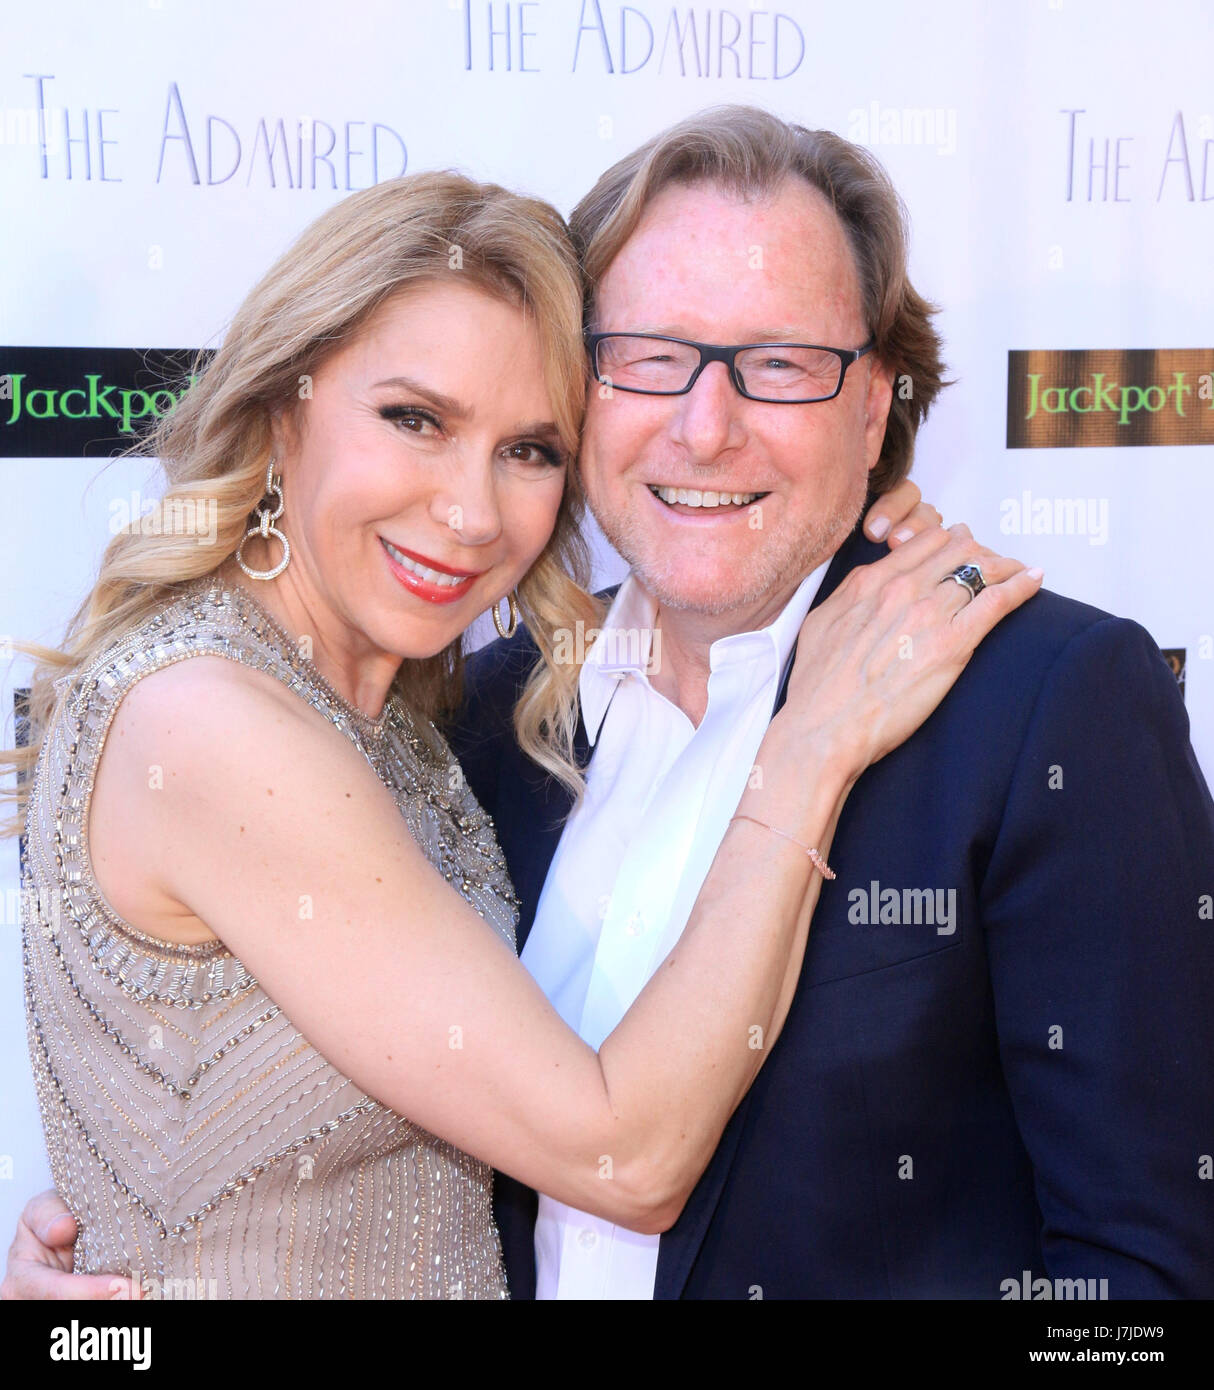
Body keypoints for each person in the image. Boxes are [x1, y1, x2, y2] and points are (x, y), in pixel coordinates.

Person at [0, 165, 1021, 1299]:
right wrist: (810, 733)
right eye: (414, 419)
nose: (471, 509)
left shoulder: (454, 722)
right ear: (285, 402)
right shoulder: (209, 722)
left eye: (529, 448)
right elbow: (622, 1155)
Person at [447, 107, 1214, 1299]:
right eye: (650, 353)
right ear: (575, 383)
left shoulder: (1048, 707)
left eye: (782, 364)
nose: (705, 428)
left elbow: (1145, 1273)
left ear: (873, 409)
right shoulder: (482, 715)